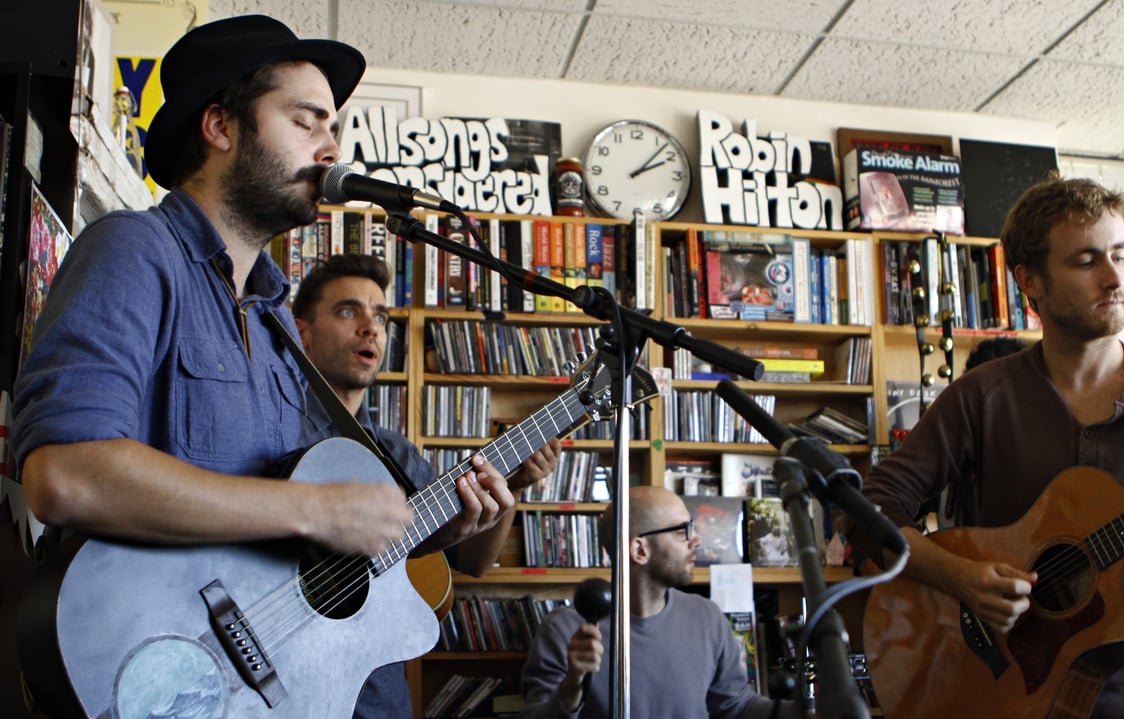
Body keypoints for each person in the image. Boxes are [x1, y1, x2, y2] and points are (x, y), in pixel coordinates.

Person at [11, 14, 515, 718]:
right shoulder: (135, 252)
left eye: (333, 127)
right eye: (306, 120)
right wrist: (315, 508)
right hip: (143, 661)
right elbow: (64, 473)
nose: (331, 147)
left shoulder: (277, 321)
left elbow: (281, 544)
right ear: (220, 127)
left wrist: (415, 537)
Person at [861, 175, 1124, 718]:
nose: (1113, 278)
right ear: (1030, 281)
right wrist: (960, 577)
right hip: (1009, 698)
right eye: (1086, 262)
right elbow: (869, 511)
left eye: (1120, 255)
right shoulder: (981, 397)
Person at [290, 253, 563, 716]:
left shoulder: (396, 456)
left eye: (380, 316)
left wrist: (510, 487)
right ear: (302, 332)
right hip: (283, 681)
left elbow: (471, 562)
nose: (371, 327)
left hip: (375, 698)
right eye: (347, 311)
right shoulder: (274, 431)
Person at [521, 486, 786, 719]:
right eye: (683, 531)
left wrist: (805, 709)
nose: (697, 540)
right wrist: (572, 686)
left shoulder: (707, 617)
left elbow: (736, 706)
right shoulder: (564, 631)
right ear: (639, 550)